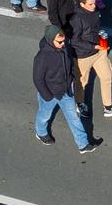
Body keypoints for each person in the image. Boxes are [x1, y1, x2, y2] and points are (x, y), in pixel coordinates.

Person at [31, 25, 99, 153]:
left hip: (66, 90)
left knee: (74, 117)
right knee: (44, 116)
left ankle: (83, 144)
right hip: (50, 93)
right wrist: (48, 96)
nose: (63, 44)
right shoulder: (42, 57)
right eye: (60, 42)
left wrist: (73, 77)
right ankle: (41, 133)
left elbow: (70, 63)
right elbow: (38, 80)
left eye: (64, 41)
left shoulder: (64, 48)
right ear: (51, 40)